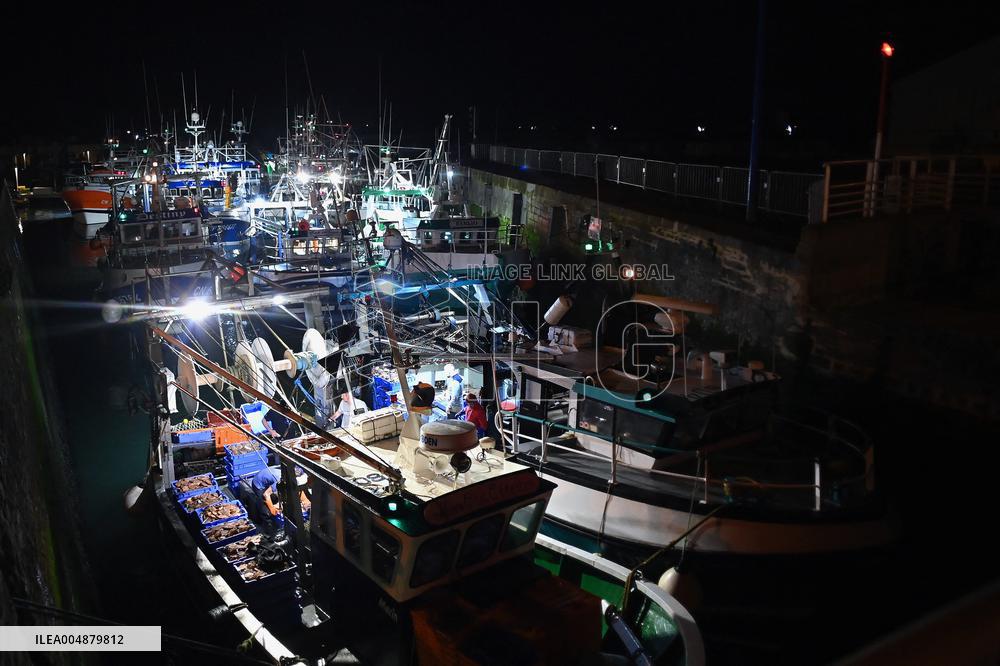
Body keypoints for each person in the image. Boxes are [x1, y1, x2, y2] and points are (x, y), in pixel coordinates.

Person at [250, 466, 311, 534]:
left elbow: (298, 488)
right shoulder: (279, 480)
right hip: (259, 485)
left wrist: (305, 500)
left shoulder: (291, 478)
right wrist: (272, 508)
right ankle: (269, 532)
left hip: (270, 481)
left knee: (279, 498)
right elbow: (266, 495)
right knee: (267, 512)